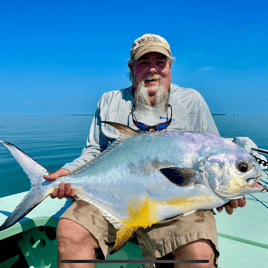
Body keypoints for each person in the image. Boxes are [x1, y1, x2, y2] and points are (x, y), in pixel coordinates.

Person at [44, 34, 247, 268]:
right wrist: (69, 172)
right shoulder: (110, 101)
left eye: (160, 62)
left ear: (170, 66)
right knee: (70, 231)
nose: (153, 70)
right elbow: (93, 152)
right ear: (131, 68)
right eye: (143, 62)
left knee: (199, 253)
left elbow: (216, 155)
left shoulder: (192, 101)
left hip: (177, 205)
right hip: (114, 199)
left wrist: (225, 190)